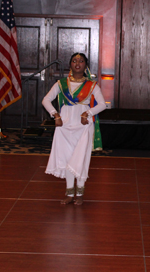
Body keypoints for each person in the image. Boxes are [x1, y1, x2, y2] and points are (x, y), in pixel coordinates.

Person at [42, 53, 106, 205]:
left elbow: (103, 104)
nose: (78, 63)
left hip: (83, 127)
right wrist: (55, 115)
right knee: (67, 160)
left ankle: (80, 193)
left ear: (86, 65)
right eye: (74, 61)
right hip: (64, 127)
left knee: (81, 160)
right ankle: (70, 193)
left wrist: (88, 113)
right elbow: (46, 100)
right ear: (70, 64)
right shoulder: (61, 84)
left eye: (81, 61)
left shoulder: (92, 85)